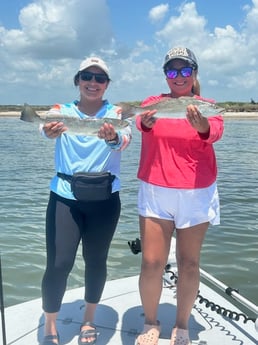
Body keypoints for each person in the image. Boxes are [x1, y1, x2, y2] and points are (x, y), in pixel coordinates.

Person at [135, 47, 224, 345]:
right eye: (172, 71)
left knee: (189, 263)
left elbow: (214, 131)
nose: (179, 76)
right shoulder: (152, 103)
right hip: (155, 190)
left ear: (195, 73)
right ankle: (150, 322)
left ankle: (182, 324)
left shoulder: (208, 106)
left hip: (196, 192)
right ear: (166, 76)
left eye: (185, 70)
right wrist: (144, 123)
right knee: (150, 262)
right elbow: (140, 124)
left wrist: (203, 125)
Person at [40, 56, 132, 345]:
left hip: (105, 199)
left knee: (96, 261)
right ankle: (50, 326)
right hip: (65, 197)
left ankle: (88, 321)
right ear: (78, 80)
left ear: (106, 84)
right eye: (87, 77)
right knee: (58, 263)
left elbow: (125, 138)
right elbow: (42, 127)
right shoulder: (61, 110)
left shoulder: (116, 113)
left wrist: (114, 137)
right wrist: (46, 129)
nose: (93, 83)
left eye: (100, 78)